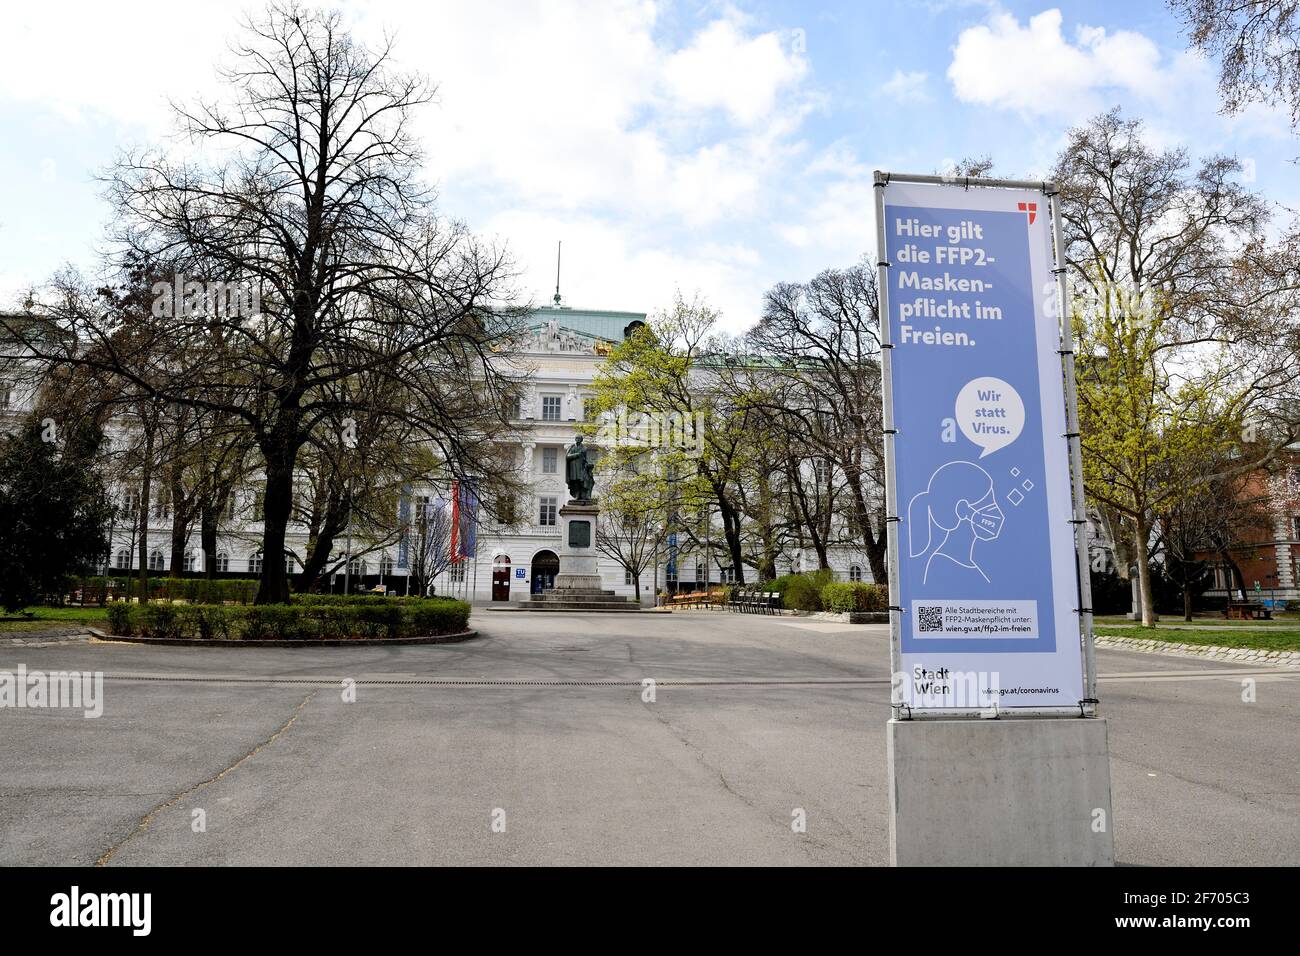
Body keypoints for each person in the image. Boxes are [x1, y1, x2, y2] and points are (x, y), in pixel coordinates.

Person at [907, 461, 1004, 584]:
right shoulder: (942, 566)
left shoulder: (963, 563)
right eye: (988, 503)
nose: (996, 511)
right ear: (963, 510)